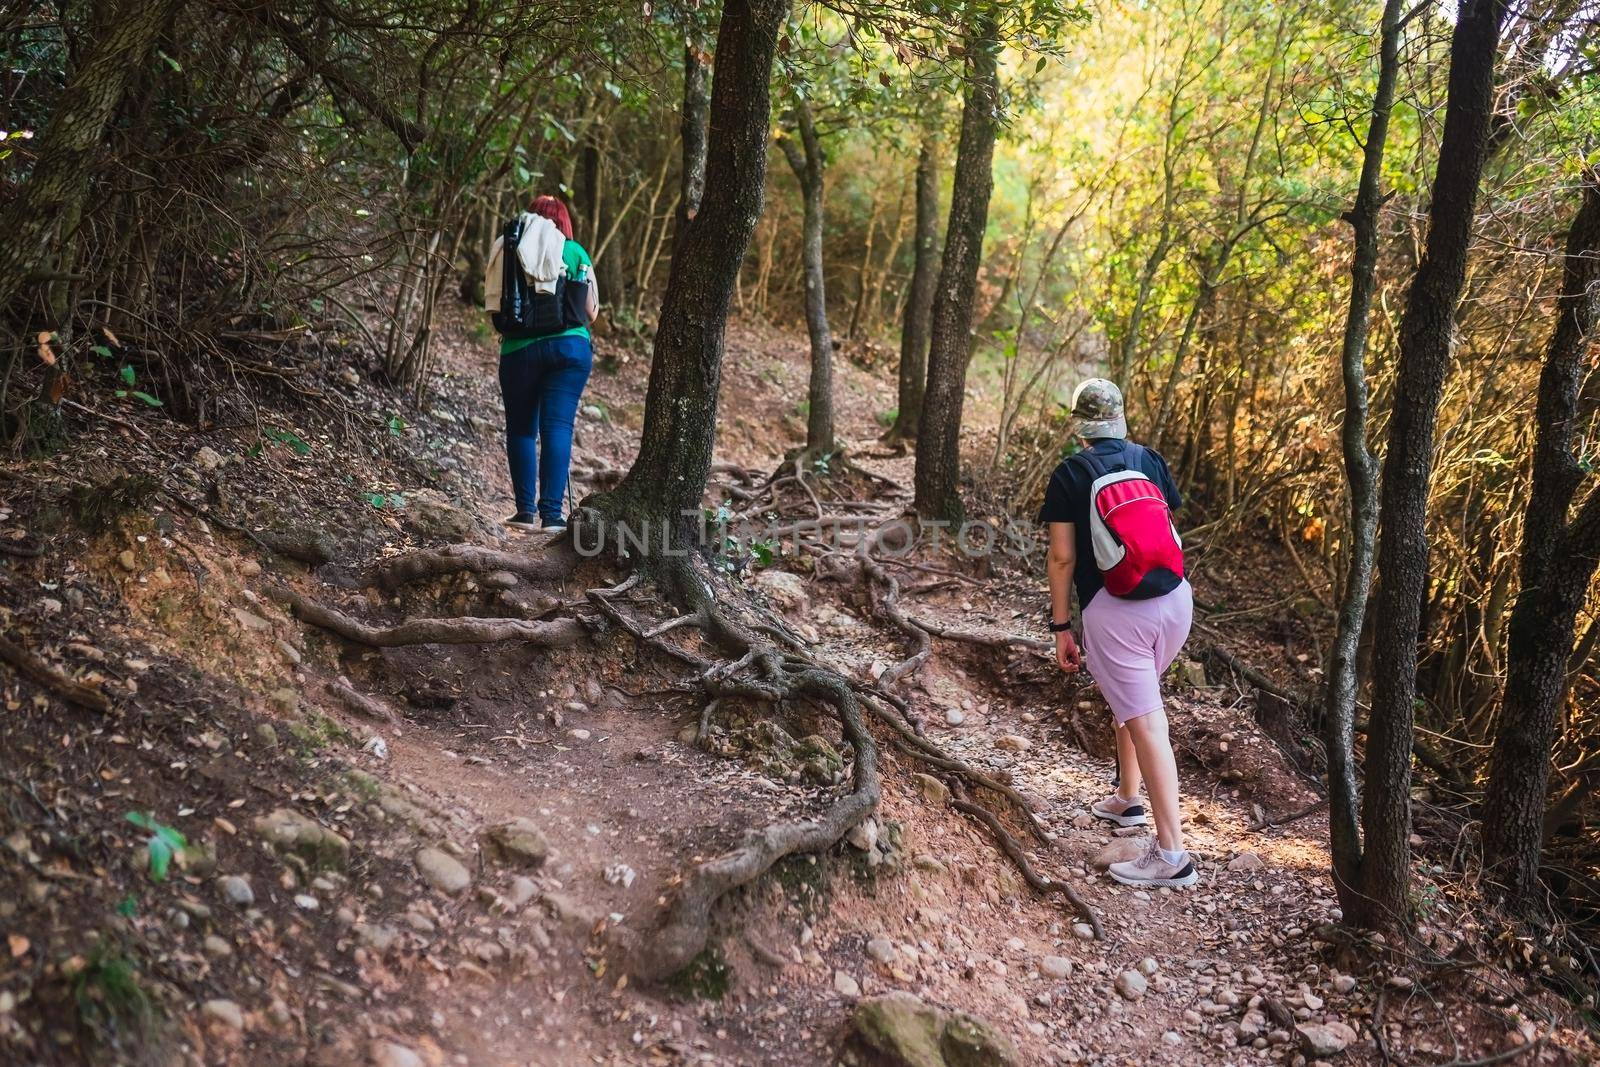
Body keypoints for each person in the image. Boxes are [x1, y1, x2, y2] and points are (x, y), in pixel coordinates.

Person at [1037, 378, 1198, 888]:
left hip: (1117, 613)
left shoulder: (1070, 473)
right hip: (1174, 601)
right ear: (1119, 417)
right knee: (1133, 703)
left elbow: (1063, 557)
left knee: (1147, 722)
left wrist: (1062, 625)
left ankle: (1172, 856)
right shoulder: (1148, 459)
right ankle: (1129, 800)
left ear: (1078, 422)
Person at [483, 194, 600, 531]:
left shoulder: (507, 248)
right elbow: (590, 311)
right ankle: (552, 515)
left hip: (518, 351)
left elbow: (494, 306)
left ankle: (524, 513)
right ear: (563, 221)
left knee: (521, 430)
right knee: (557, 427)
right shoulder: (574, 251)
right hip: (569, 350)